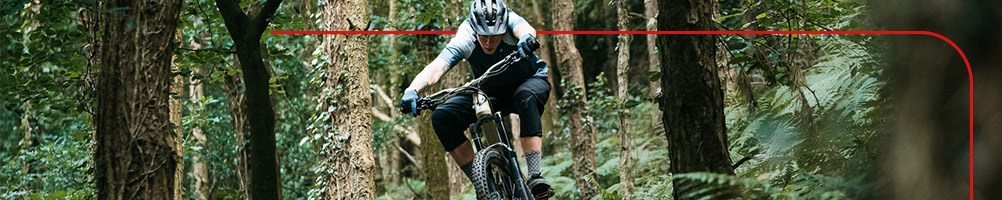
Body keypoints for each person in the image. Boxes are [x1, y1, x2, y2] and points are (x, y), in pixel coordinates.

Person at [399, 0, 554, 198]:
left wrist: (526, 39)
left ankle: (534, 177)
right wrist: (412, 90)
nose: (488, 42)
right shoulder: (466, 36)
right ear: (474, 29)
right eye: (483, 36)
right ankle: (484, 183)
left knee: (525, 96)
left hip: (530, 80)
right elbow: (438, 66)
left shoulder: (509, 19)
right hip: (490, 89)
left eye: (494, 36)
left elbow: (526, 29)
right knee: (442, 117)